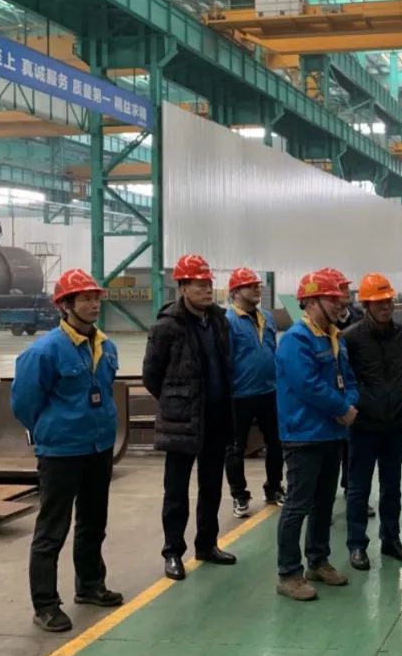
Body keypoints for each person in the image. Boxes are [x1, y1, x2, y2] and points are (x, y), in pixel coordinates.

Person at [11, 269, 123, 632]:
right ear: (64, 305)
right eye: (85, 299)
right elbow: (24, 404)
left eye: (96, 298)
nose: (93, 305)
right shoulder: (44, 351)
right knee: (52, 529)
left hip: (99, 446)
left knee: (93, 521)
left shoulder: (106, 345)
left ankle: (89, 585)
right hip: (61, 452)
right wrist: (52, 431)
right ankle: (45, 604)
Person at [143, 254, 237, 581]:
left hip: (216, 417)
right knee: (176, 491)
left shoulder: (219, 321)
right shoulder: (166, 326)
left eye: (209, 284)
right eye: (199, 285)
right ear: (182, 288)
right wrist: (178, 401)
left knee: (211, 486)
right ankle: (173, 552)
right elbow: (151, 376)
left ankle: (207, 545)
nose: (207, 290)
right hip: (182, 421)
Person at [275, 269, 358, 601]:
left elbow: (349, 379)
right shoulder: (296, 340)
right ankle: (288, 574)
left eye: (339, 298)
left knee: (323, 503)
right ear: (310, 302)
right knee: (298, 505)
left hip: (331, 434)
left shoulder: (334, 337)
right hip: (304, 435)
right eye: (332, 298)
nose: (339, 304)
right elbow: (307, 385)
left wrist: (350, 404)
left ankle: (318, 561)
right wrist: (341, 408)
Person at [342, 272, 402, 570]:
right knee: (358, 489)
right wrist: (351, 407)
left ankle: (390, 540)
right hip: (363, 427)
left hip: (394, 424)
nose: (386, 307)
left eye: (388, 301)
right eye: (379, 302)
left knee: (392, 487)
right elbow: (344, 379)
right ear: (366, 304)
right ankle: (357, 544)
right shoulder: (351, 338)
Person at [224, 267, 284, 518]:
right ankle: (239, 495)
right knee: (235, 447)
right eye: (251, 286)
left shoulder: (267, 318)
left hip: (269, 391)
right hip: (239, 395)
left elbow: (272, 350)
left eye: (258, 285)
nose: (257, 289)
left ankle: (274, 488)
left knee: (276, 443)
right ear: (236, 291)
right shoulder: (228, 321)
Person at [319, 267, 372, 517]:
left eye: (344, 288)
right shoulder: (318, 325)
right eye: (338, 290)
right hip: (328, 399)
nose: (343, 294)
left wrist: (353, 398)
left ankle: (354, 492)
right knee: (328, 453)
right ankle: (323, 507)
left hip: (352, 394)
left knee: (354, 450)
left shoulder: (359, 319)